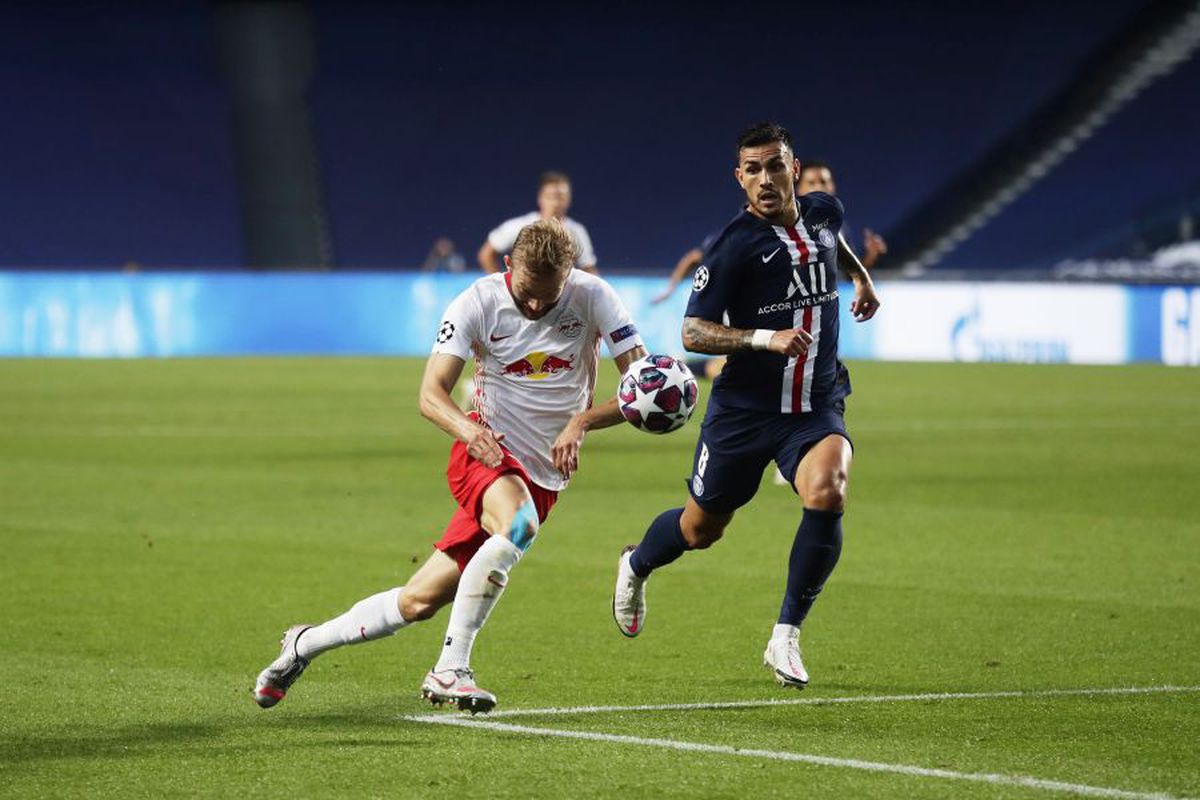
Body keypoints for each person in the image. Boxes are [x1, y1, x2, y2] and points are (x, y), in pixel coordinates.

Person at [255, 220, 646, 713]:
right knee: (518, 525)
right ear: (508, 267)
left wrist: (583, 422)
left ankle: (302, 644)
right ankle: (450, 669)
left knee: (418, 602)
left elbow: (642, 386)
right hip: (485, 450)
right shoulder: (476, 303)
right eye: (526, 293)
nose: (535, 307)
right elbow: (430, 394)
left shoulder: (594, 297)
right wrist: (470, 432)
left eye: (548, 297)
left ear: (568, 277)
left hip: (545, 473)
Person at [611, 122, 880, 690]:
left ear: (793, 168)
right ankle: (635, 565)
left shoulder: (824, 211)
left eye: (773, 166)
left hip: (815, 402)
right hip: (745, 410)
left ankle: (785, 635)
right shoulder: (734, 247)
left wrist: (862, 280)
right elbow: (692, 331)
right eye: (751, 169)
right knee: (702, 528)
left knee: (829, 489)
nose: (764, 179)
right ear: (739, 177)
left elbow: (836, 243)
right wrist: (764, 338)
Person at [478, 172, 598, 274]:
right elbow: (486, 254)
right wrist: (503, 286)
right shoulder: (519, 226)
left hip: (560, 298)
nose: (556, 203)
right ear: (540, 198)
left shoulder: (577, 231)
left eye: (561, 197)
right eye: (551, 196)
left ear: (569, 199)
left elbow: (588, 267)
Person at [798, 159, 888, 269]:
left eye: (823, 182)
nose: (819, 187)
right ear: (799, 189)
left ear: (832, 187)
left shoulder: (840, 227)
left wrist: (872, 255)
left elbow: (851, 274)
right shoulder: (787, 225)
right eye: (811, 183)